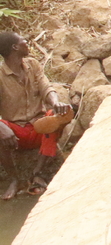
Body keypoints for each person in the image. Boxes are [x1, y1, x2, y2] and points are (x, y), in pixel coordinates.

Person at [0, 32, 73, 200]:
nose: (27, 43)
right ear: (15, 47)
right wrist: (2, 126)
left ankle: (37, 173)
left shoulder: (32, 65)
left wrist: (56, 103)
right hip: (16, 133)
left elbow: (46, 87)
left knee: (57, 116)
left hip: (39, 127)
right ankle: (15, 180)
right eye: (23, 41)